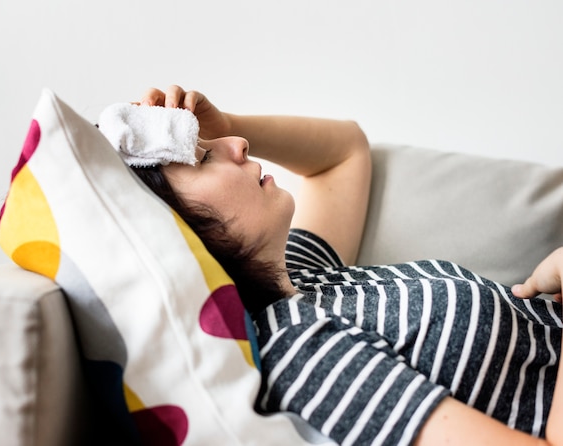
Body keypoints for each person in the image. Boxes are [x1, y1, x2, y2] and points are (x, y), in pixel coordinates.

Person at [121, 85, 563, 445]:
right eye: (203, 156)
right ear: (177, 230)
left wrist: (226, 123)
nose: (238, 146)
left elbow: (345, 152)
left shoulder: (299, 277)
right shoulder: (298, 351)